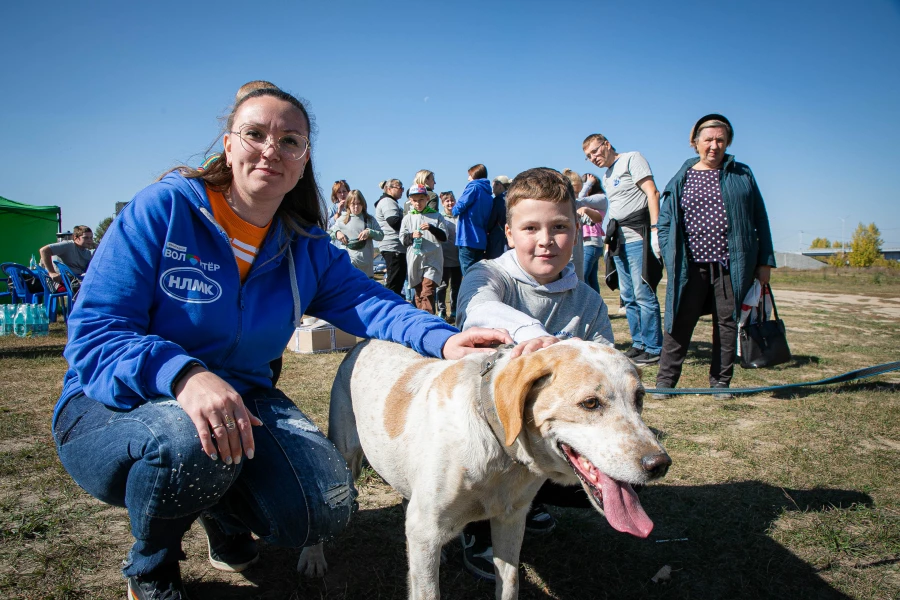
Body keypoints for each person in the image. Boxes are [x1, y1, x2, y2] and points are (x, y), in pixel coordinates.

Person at [50, 86, 513, 600]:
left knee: (326, 504)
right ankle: (152, 565)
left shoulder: (305, 245)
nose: (272, 150)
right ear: (228, 145)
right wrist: (184, 374)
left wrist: (447, 341)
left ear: (303, 160)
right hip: (116, 404)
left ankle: (221, 516)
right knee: (186, 441)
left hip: (240, 400)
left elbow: (375, 305)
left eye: (290, 140)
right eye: (255, 134)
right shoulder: (164, 211)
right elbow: (95, 332)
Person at [455, 167, 614, 581]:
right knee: (479, 446)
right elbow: (478, 307)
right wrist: (535, 337)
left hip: (546, 432)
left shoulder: (589, 302)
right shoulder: (490, 274)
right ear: (509, 233)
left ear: (577, 231)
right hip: (482, 433)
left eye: (559, 226)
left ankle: (533, 497)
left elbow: (607, 364)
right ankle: (476, 528)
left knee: (614, 462)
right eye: (530, 228)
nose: (546, 240)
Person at [656, 114, 776, 397]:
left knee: (727, 324)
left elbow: (761, 217)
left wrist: (764, 262)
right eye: (708, 139)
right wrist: (668, 252)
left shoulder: (741, 174)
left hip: (732, 264)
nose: (714, 145)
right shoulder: (681, 177)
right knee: (678, 321)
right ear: (695, 142)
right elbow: (665, 221)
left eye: (720, 140)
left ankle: (720, 383)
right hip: (690, 265)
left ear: (728, 143)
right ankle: (665, 382)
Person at [583, 133, 663, 365]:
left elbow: (652, 192)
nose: (593, 158)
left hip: (638, 235)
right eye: (588, 156)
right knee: (627, 295)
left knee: (643, 292)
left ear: (607, 144)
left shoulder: (631, 159)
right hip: (618, 239)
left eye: (596, 151)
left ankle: (653, 346)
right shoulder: (607, 175)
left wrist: (656, 229)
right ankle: (638, 344)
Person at [400, 184, 447, 314]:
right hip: (415, 259)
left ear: (427, 199)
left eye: (421, 199)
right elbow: (403, 239)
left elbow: (444, 237)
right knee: (419, 293)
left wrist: (432, 228)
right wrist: (411, 235)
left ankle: (428, 321)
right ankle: (421, 321)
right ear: (410, 201)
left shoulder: (436, 216)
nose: (418, 203)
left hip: (432, 259)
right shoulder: (407, 218)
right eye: (414, 200)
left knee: (428, 291)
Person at [329, 190, 384, 278]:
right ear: (348, 205)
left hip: (366, 266)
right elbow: (328, 233)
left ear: (363, 204)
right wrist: (337, 233)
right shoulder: (342, 219)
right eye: (353, 204)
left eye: (358, 203)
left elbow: (381, 235)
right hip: (349, 264)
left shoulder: (369, 219)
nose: (356, 207)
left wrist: (370, 232)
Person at [452, 164, 494, 276]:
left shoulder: (473, 187)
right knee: (478, 275)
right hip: (480, 239)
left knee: (468, 275)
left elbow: (460, 205)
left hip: (467, 236)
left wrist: (454, 210)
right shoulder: (489, 194)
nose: (468, 178)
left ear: (474, 174)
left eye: (469, 175)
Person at [573, 171, 609, 293]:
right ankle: (596, 307)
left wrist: (588, 183)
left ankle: (589, 306)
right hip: (589, 242)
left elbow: (578, 199)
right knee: (592, 279)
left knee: (582, 277)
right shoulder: (591, 201)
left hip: (591, 243)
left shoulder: (600, 198)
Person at [374, 179, 406, 295]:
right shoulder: (388, 201)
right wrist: (409, 221)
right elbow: (394, 221)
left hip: (394, 247)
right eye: (399, 187)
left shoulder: (390, 202)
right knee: (394, 284)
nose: (402, 190)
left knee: (396, 282)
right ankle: (389, 307)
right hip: (393, 247)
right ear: (389, 189)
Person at [436, 191, 461, 322]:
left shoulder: (459, 217)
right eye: (447, 201)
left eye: (452, 200)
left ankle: (454, 311)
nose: (450, 203)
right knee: (442, 286)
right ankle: (441, 311)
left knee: (456, 287)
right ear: (443, 203)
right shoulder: (440, 217)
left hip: (457, 257)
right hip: (444, 257)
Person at [485, 175, 511, 260]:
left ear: (499, 185)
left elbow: (490, 222)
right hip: (511, 239)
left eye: (493, 187)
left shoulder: (498, 201)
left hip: (497, 240)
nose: (492, 190)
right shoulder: (513, 200)